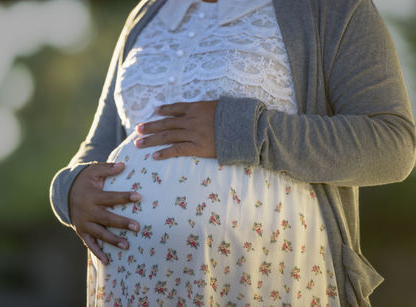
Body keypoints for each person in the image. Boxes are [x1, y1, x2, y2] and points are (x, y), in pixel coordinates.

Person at [49, 0, 416, 306]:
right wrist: (68, 190)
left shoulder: (330, 7)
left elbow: (393, 145)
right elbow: (97, 149)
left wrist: (241, 130)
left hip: (265, 279)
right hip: (135, 287)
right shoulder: (145, 16)